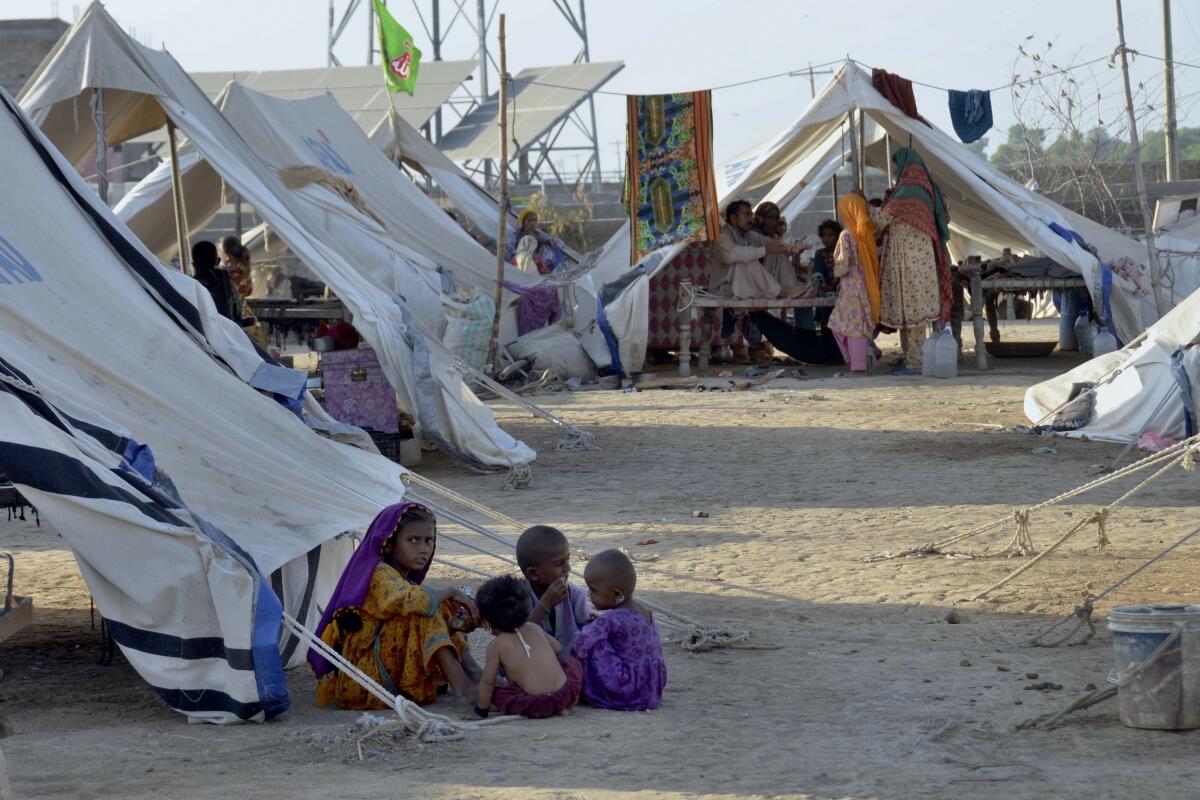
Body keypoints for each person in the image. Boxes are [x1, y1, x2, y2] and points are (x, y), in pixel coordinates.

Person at [309, 502, 481, 711]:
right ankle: (462, 688)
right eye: (413, 540)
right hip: (367, 681)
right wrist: (452, 591)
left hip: (391, 668)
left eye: (429, 541)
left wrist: (451, 626)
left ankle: (473, 672)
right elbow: (406, 600)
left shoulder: (405, 580)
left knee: (440, 606)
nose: (424, 549)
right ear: (389, 543)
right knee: (424, 606)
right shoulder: (378, 573)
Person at [871, 147, 953, 372]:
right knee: (914, 311)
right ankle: (912, 358)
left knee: (912, 311)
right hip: (921, 258)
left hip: (907, 258)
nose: (896, 169)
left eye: (897, 164)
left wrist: (868, 207)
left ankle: (915, 361)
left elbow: (881, 220)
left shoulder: (908, 191)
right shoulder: (928, 190)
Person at [472, 575, 583, 719]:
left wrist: (481, 711)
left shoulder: (496, 646)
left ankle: (545, 707)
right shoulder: (534, 628)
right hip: (566, 694)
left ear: (486, 623)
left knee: (497, 693)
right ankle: (562, 707)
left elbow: (488, 681)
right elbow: (558, 648)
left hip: (534, 704)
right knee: (571, 663)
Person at [575, 549, 667, 711]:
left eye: (593, 590)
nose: (589, 595)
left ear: (617, 594)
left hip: (627, 691)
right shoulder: (645, 612)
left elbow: (582, 642)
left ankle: (591, 690)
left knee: (591, 641)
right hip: (651, 688)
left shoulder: (612, 619)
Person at [516, 525, 593, 654]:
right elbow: (516, 639)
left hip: (573, 666)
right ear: (533, 574)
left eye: (568, 559)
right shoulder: (516, 598)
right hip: (534, 669)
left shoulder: (574, 594)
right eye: (559, 563)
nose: (568, 568)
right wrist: (544, 606)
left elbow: (589, 630)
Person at [711, 200, 809, 300]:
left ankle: (792, 290)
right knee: (748, 261)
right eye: (747, 215)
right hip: (724, 289)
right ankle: (783, 292)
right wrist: (765, 250)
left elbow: (770, 243)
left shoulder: (748, 235)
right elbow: (735, 255)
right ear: (734, 218)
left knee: (778, 254)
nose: (751, 219)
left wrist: (790, 248)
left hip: (743, 287)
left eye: (751, 215)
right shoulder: (722, 238)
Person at [829, 194, 879, 374]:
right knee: (858, 324)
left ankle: (857, 362)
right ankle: (863, 357)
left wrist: (835, 271)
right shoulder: (864, 232)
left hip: (851, 288)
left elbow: (843, 265)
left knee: (842, 324)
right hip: (864, 285)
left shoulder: (846, 234)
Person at [796, 219, 843, 331]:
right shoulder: (820, 253)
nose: (826, 238)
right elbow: (818, 273)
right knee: (826, 325)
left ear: (838, 236)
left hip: (842, 290)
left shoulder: (843, 252)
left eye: (830, 235)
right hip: (824, 289)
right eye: (823, 235)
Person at [754, 202, 801, 294]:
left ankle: (789, 287)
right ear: (761, 218)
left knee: (779, 252)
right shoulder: (754, 234)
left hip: (771, 275)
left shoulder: (774, 234)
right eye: (769, 217)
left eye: (776, 218)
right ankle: (790, 288)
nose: (773, 221)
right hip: (758, 275)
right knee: (777, 252)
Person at [191, 240, 242, 322]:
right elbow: (237, 312)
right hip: (228, 331)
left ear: (194, 265)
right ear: (218, 261)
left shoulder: (190, 286)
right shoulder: (228, 282)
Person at [504, 209, 566, 275]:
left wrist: (542, 241)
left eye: (534, 220)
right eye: (529, 220)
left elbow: (560, 243)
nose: (532, 223)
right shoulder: (514, 237)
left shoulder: (539, 234)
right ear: (523, 222)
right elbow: (507, 254)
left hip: (540, 268)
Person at [218, 235, 253, 300]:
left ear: (226, 252)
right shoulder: (245, 268)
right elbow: (249, 291)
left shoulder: (224, 271)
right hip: (243, 308)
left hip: (229, 308)